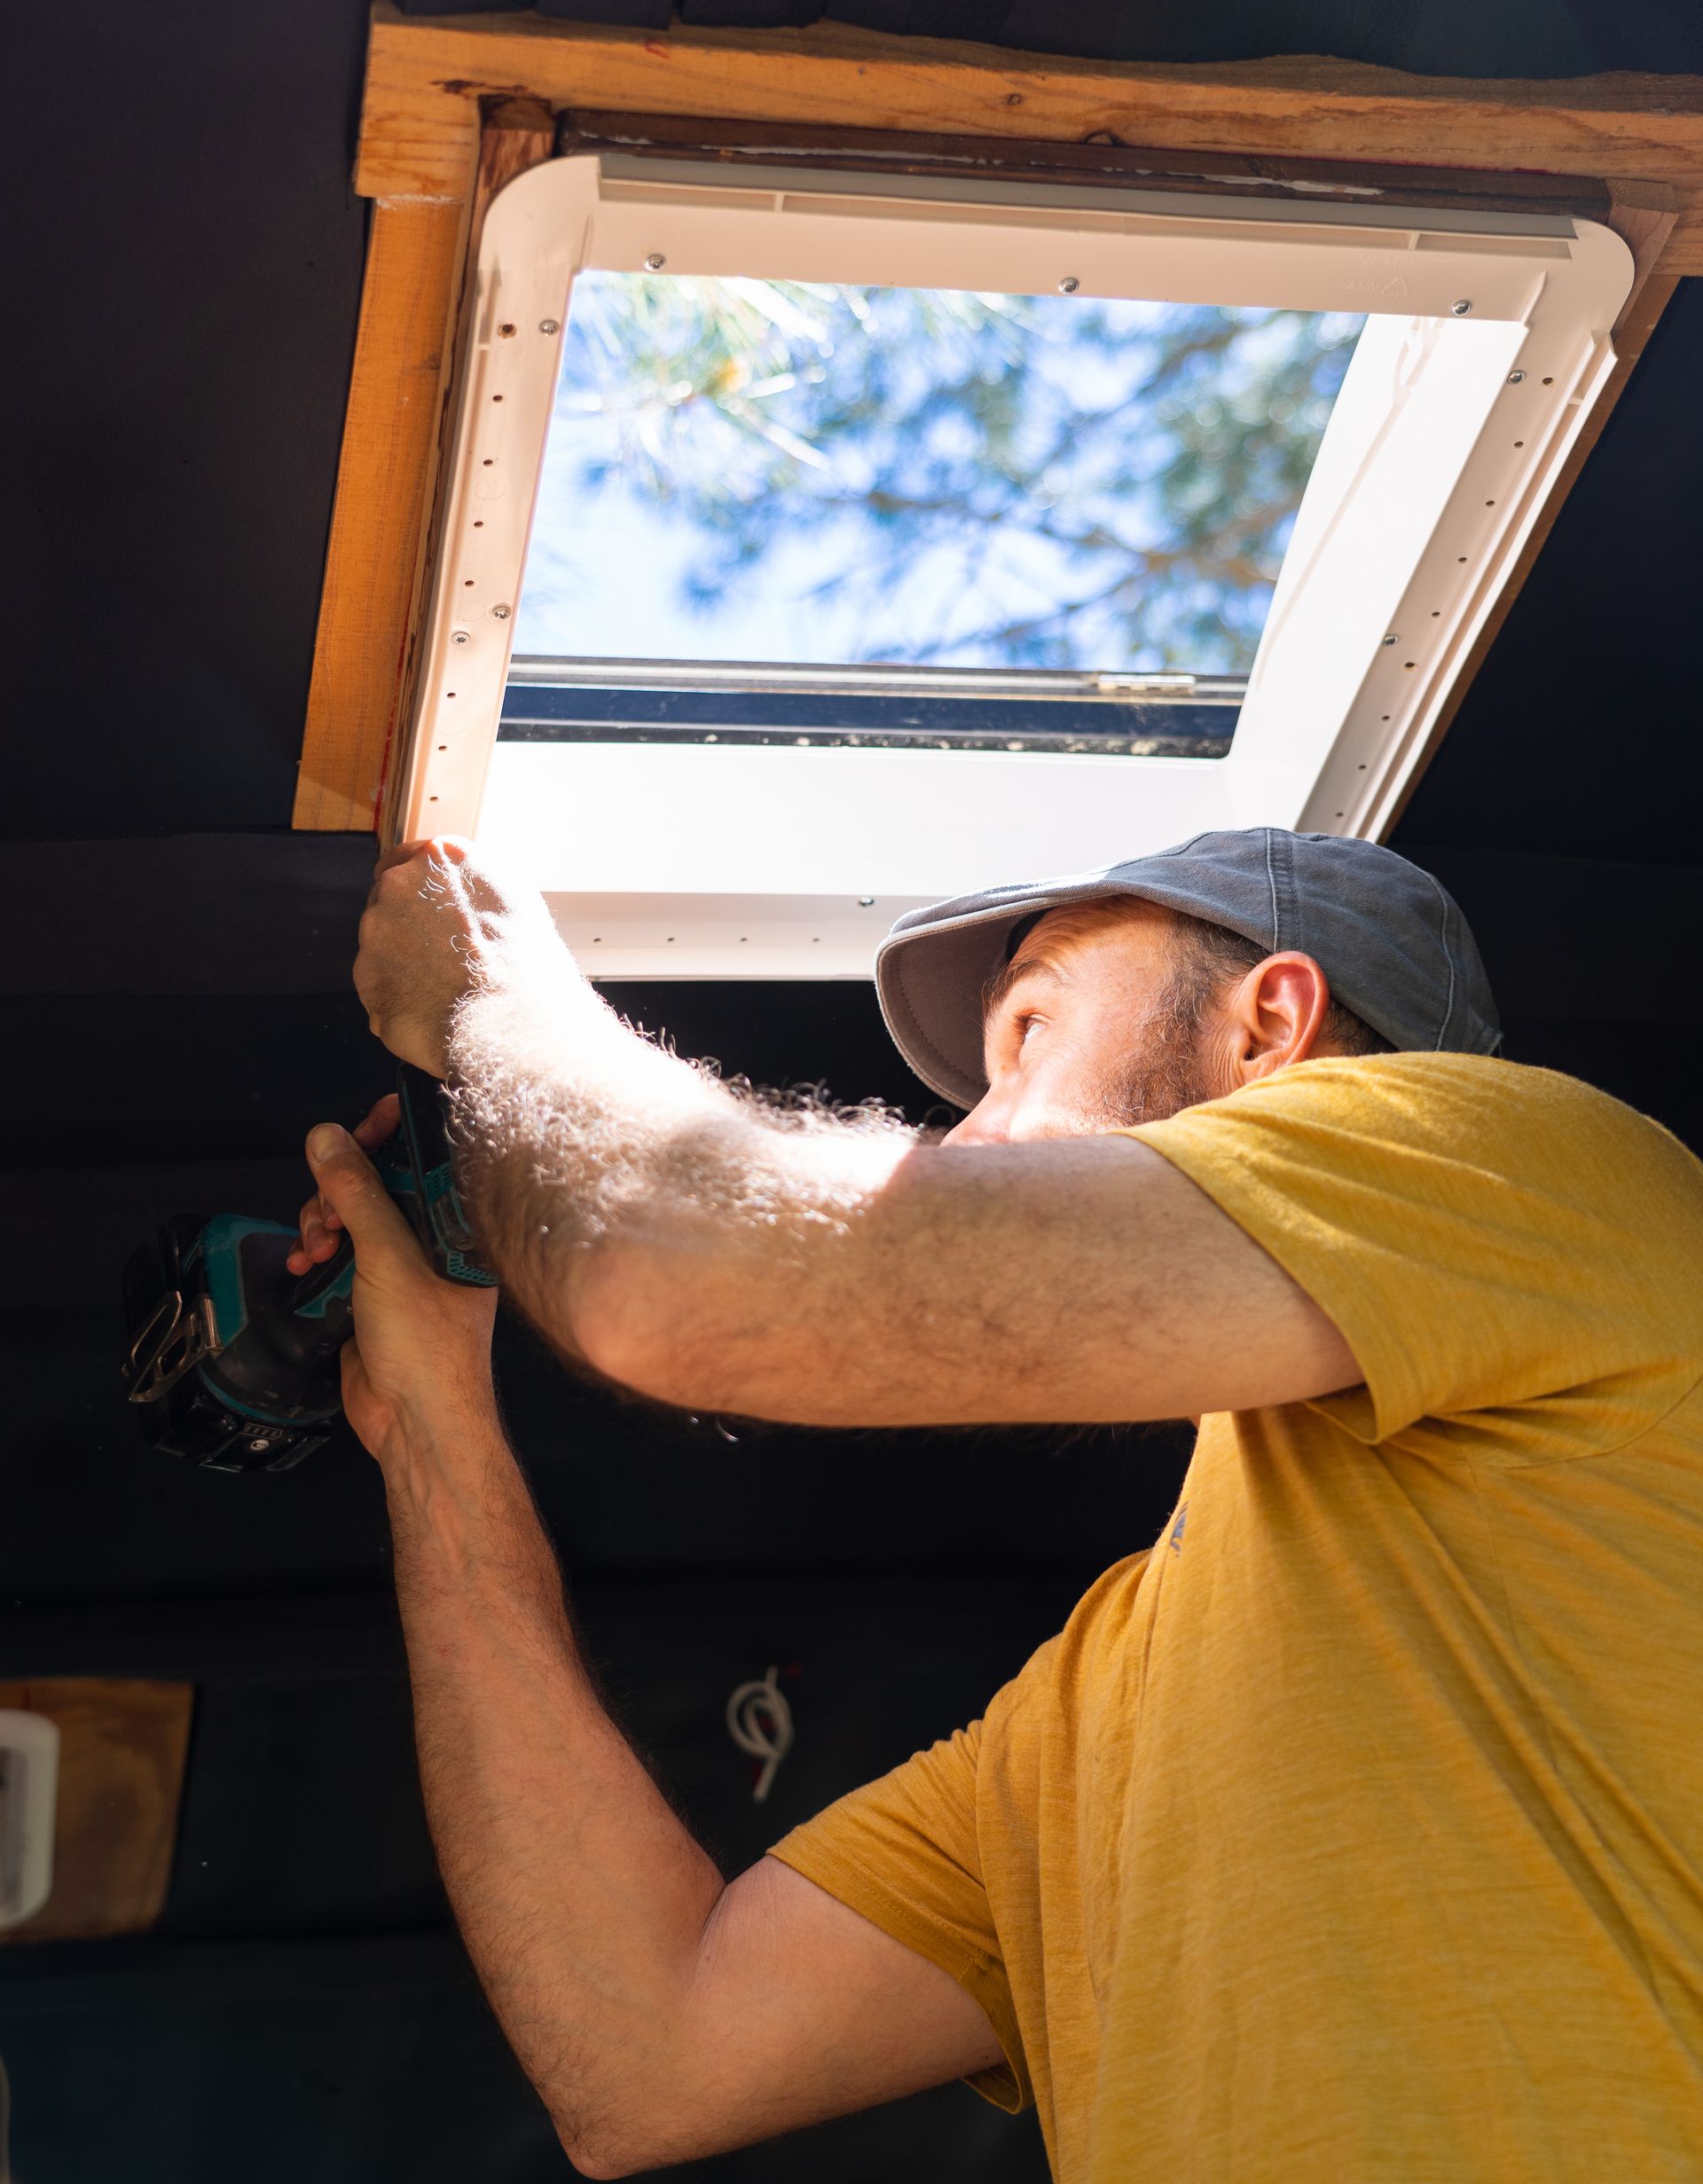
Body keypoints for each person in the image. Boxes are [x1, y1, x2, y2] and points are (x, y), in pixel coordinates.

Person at [293, 826, 1703, 2182]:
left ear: (1271, 1025)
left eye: (1028, 1033)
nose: (964, 1141)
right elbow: (645, 2058)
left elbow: (681, 1273)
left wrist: (493, 995)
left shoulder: (1529, 1165)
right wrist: (432, 1428)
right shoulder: (1100, 1705)